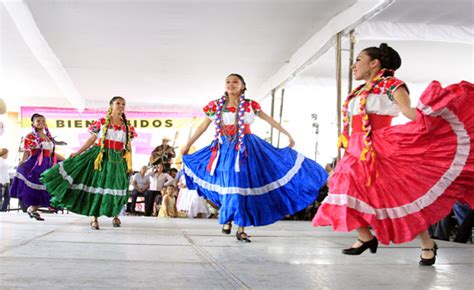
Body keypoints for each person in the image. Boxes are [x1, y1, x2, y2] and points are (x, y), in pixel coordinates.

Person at [312, 43, 473, 266]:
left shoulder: (393, 86)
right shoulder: (358, 91)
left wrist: (437, 120)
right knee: (340, 184)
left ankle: (427, 243)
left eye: (358, 59)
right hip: (357, 147)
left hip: (383, 146)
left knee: (399, 197)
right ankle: (366, 237)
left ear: (374, 63)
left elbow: (408, 112)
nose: (353, 65)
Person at [181, 73, 328, 242]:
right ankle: (228, 218)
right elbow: (202, 127)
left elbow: (270, 120)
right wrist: (187, 144)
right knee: (228, 182)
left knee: (241, 183)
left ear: (243, 86)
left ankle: (239, 227)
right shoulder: (215, 106)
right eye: (228, 82)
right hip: (224, 149)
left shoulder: (250, 105)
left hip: (246, 148)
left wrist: (287, 134)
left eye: (235, 82)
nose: (231, 84)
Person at [41, 96, 137, 229]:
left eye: (123, 104)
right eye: (118, 103)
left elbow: (129, 147)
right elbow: (92, 139)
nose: (121, 106)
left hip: (118, 160)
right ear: (111, 106)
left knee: (116, 186)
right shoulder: (102, 122)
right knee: (96, 185)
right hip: (100, 157)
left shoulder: (127, 126)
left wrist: (130, 163)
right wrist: (78, 152)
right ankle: (94, 218)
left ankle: (115, 216)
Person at [10, 114, 64, 220]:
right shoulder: (30, 136)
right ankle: (32, 209)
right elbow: (27, 151)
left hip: (48, 164)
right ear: (33, 123)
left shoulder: (48, 136)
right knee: (37, 188)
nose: (41, 123)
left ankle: (32, 209)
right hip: (36, 165)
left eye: (43, 121)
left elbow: (51, 153)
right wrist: (22, 162)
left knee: (45, 188)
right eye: (38, 121)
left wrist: (65, 159)